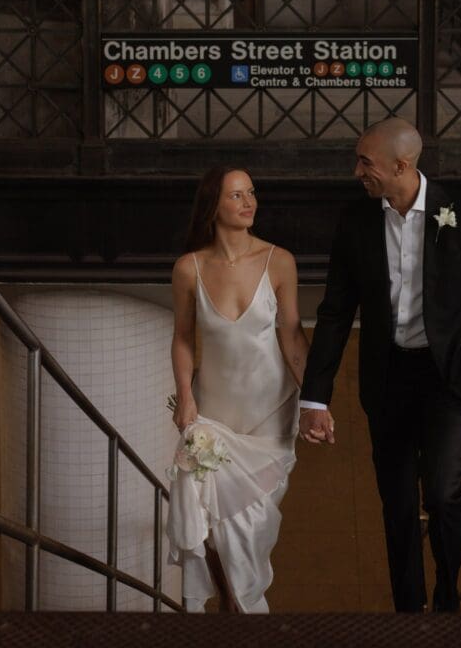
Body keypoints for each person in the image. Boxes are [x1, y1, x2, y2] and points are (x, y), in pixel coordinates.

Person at [299, 117, 461, 613]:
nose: (356, 171)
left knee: (445, 497)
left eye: (366, 162)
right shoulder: (356, 220)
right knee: (399, 506)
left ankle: (448, 598)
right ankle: (409, 611)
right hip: (388, 380)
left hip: (448, 379)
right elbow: (336, 311)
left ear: (401, 165)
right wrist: (315, 396)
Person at [166, 165, 320, 613]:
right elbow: (181, 337)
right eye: (236, 195)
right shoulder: (188, 268)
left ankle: (244, 610)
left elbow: (291, 336)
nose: (249, 202)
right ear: (214, 205)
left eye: (251, 193)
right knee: (208, 521)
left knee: (251, 527)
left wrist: (314, 403)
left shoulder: (279, 260)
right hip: (212, 414)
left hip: (270, 417)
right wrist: (185, 396)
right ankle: (216, 614)